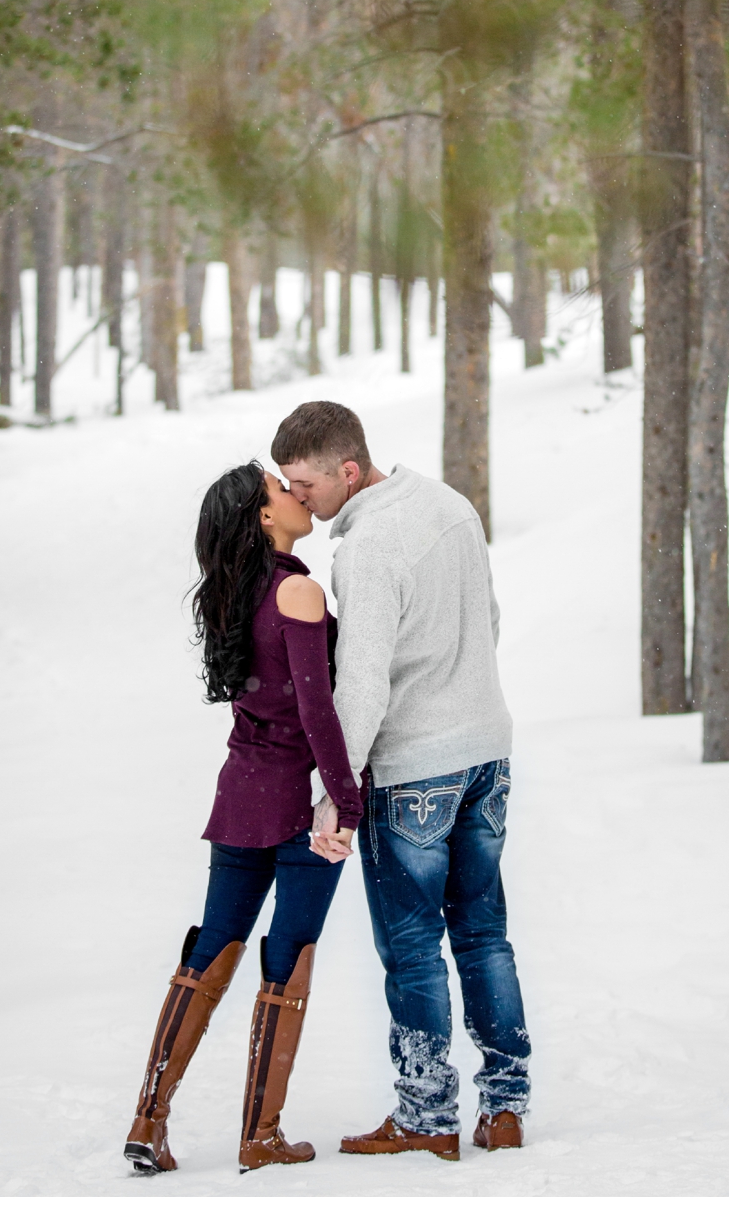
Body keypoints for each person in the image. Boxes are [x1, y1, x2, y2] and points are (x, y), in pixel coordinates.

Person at [273, 400, 529, 1162]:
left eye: (306, 484)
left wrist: (337, 794)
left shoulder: (369, 548)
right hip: (488, 753)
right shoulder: (449, 505)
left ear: (348, 472)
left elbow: (361, 687)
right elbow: (489, 618)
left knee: (414, 950)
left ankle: (426, 1115)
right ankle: (507, 1107)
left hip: (415, 771)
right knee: (484, 936)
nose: (298, 499)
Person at [125, 463, 363, 1176]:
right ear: (263, 518)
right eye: (278, 490)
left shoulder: (235, 592)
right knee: (285, 960)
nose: (294, 494)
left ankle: (147, 1120)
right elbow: (319, 712)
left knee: (210, 951)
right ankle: (260, 1135)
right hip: (298, 804)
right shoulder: (298, 590)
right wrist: (348, 804)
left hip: (241, 794)